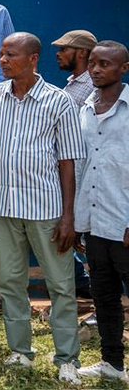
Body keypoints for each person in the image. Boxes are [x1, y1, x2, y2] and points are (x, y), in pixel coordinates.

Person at [0, 32, 85, 383]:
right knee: (11, 282)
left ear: (32, 59)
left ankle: (67, 358)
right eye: (1, 53)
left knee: (60, 285)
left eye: (11, 54)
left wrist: (69, 216)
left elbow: (69, 160)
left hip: (46, 208)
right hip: (4, 205)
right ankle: (21, 352)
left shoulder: (59, 101)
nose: (3, 60)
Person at [74, 41, 129, 383]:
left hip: (124, 223)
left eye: (105, 64)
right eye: (93, 63)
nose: (96, 69)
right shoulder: (84, 108)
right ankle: (113, 364)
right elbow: (81, 168)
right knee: (105, 298)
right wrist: (79, 222)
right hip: (95, 223)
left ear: (123, 68)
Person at [52, 30, 97, 107]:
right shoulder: (74, 81)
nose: (58, 54)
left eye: (63, 49)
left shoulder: (93, 85)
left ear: (82, 52)